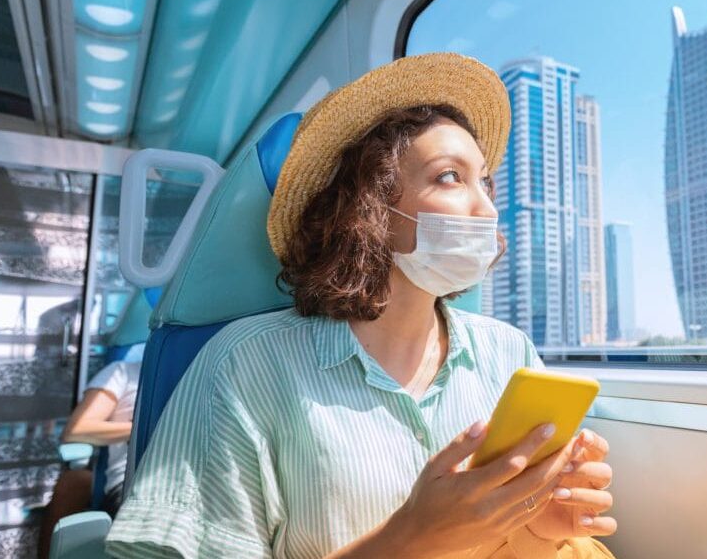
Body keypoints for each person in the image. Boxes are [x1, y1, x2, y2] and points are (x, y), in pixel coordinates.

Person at [106, 53, 617, 558]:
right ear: (370, 207)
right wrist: (408, 540)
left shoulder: (511, 352)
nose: (486, 208)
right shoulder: (244, 365)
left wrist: (538, 534)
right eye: (449, 177)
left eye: (484, 181)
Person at [38, 346, 143, 559]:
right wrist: (140, 428)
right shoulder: (122, 372)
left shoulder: (200, 380)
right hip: (131, 483)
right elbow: (76, 430)